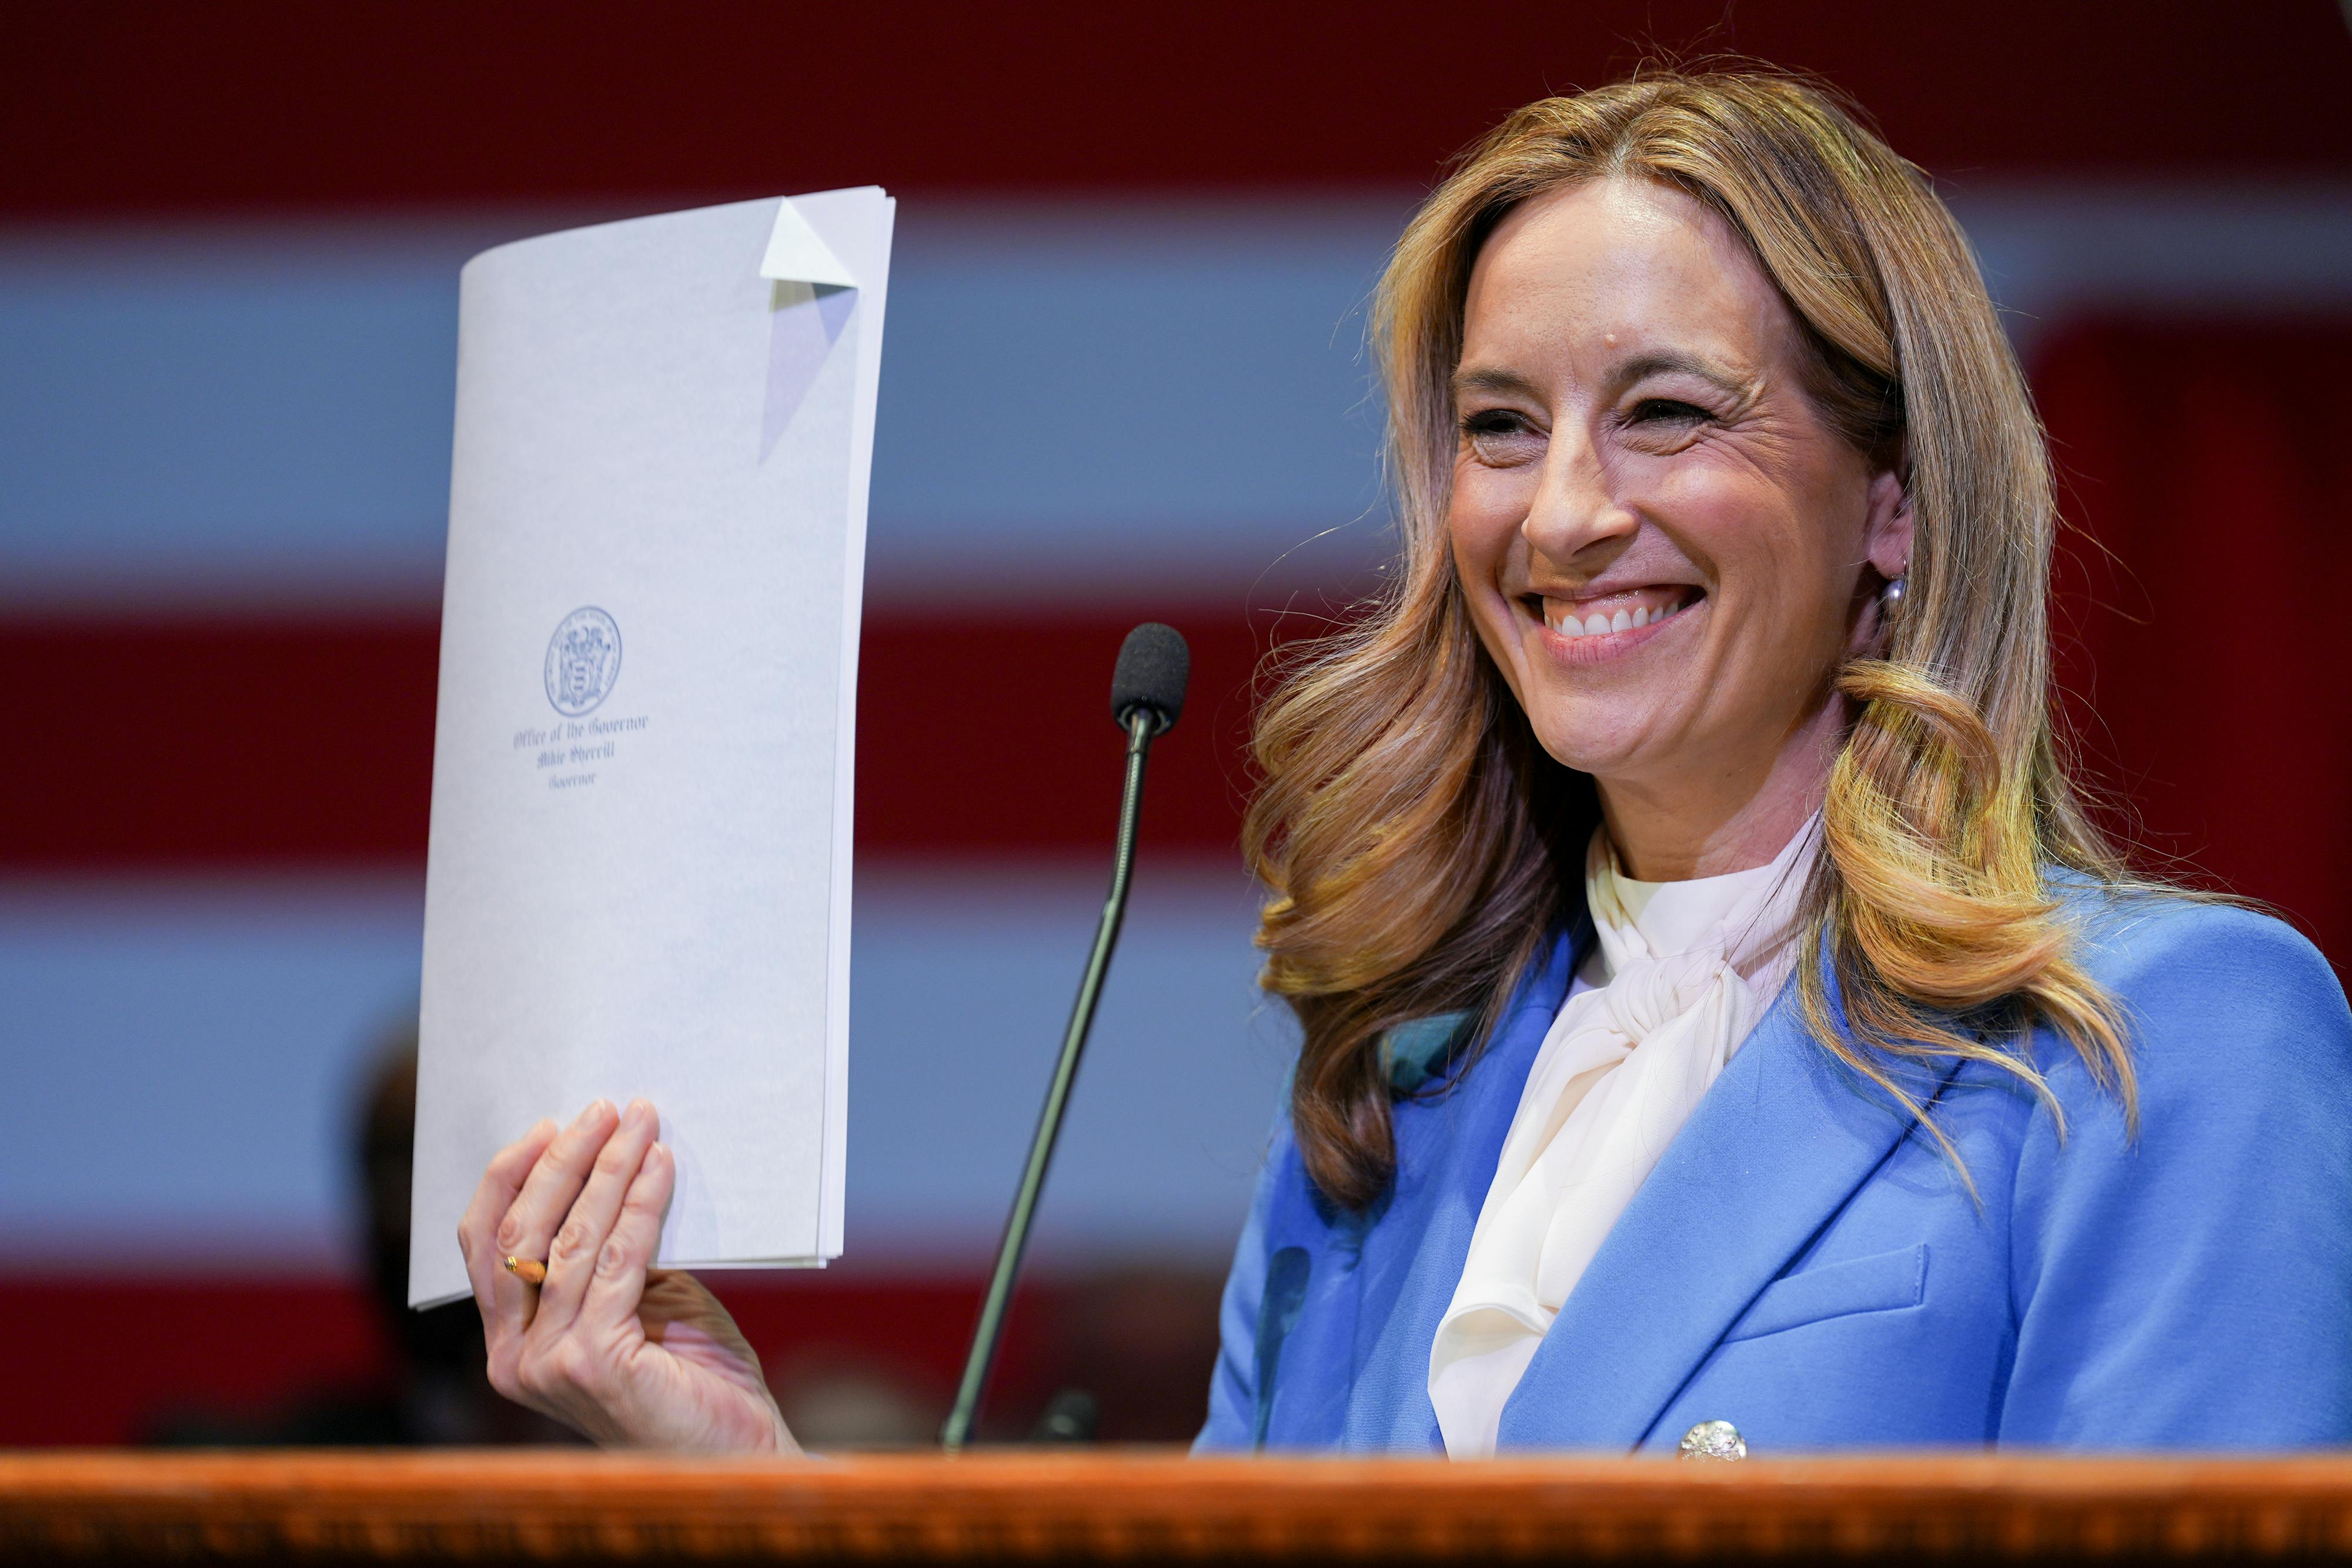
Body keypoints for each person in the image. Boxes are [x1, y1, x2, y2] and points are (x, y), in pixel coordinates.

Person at [455, 70, 2352, 1455]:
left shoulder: (2155, 1041)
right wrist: (752, 1480)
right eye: (1501, 427)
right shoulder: (1382, 1128)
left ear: (1896, 506)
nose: (1569, 511)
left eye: (1670, 412)